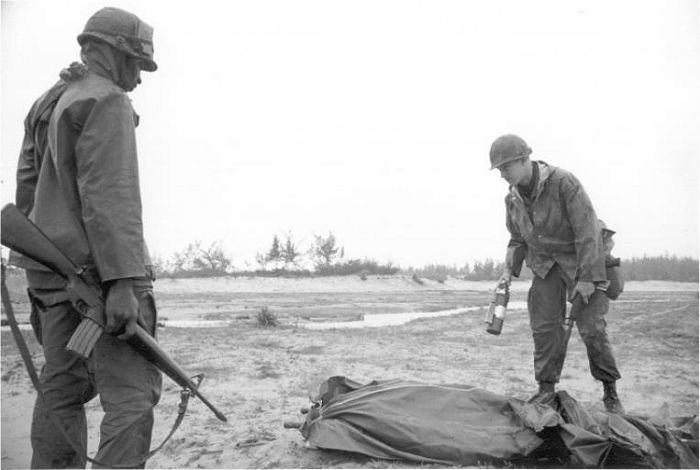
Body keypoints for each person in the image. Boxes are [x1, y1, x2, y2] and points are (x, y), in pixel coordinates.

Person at [11, 7, 162, 468]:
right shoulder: (108, 100)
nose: (138, 77)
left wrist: (44, 265)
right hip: (99, 278)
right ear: (109, 51)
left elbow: (26, 188)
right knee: (132, 397)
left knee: (61, 389)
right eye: (135, 63)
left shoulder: (49, 100)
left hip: (52, 276)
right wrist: (121, 282)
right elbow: (111, 195)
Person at [489, 134, 624, 414]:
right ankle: (546, 389)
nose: (502, 174)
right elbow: (517, 240)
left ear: (525, 160)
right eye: (499, 169)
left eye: (506, 167)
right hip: (544, 265)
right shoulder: (511, 199)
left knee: (591, 328)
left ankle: (610, 391)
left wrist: (587, 278)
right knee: (544, 327)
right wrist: (507, 270)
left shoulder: (564, 182)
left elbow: (587, 231)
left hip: (582, 261)